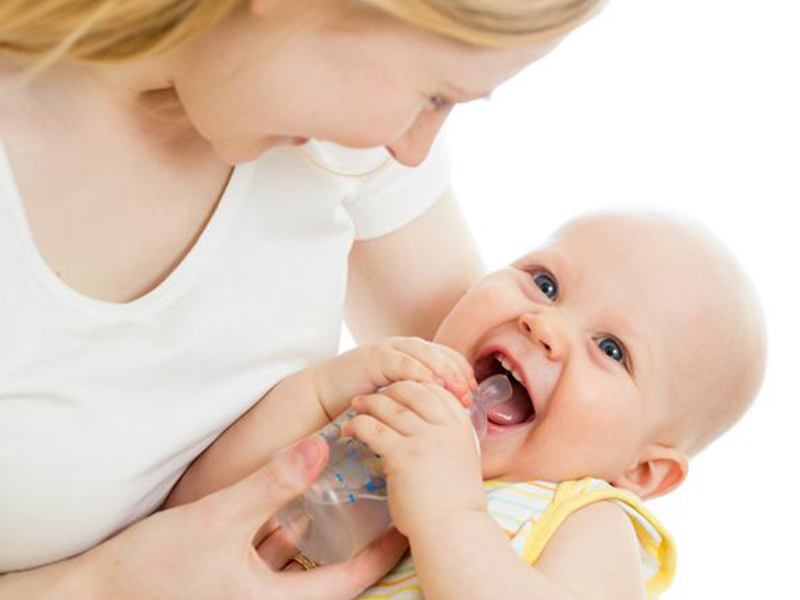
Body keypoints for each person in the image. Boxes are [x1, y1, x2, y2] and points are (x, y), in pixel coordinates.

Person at [0, 0, 609, 598]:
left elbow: (550, 447)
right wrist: (105, 586)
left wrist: (600, 531)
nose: (415, 149)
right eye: (435, 95)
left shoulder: (342, 143)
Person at [167, 211, 767, 599]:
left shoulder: (584, 519)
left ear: (640, 471)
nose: (545, 325)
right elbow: (189, 521)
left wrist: (450, 515)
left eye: (611, 349)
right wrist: (319, 393)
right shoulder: (379, 423)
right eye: (546, 283)